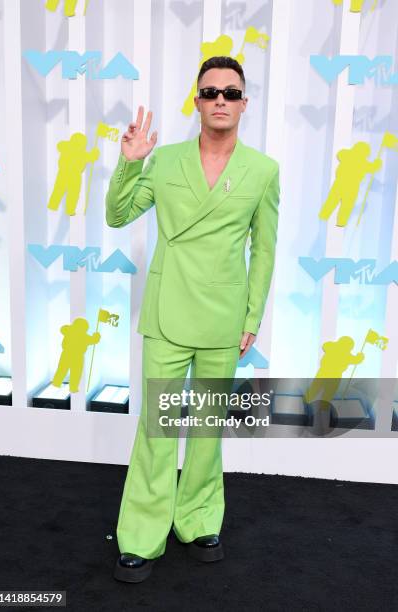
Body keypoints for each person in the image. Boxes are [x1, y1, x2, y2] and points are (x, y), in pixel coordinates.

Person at [105, 55, 280, 583]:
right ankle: (140, 534)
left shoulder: (263, 170)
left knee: (205, 431)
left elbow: (264, 251)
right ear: (197, 101)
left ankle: (199, 519)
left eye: (231, 92)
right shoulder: (166, 159)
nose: (220, 100)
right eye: (211, 93)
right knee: (157, 430)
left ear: (244, 103)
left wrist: (252, 316)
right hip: (168, 312)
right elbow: (117, 215)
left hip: (224, 319)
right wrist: (131, 161)